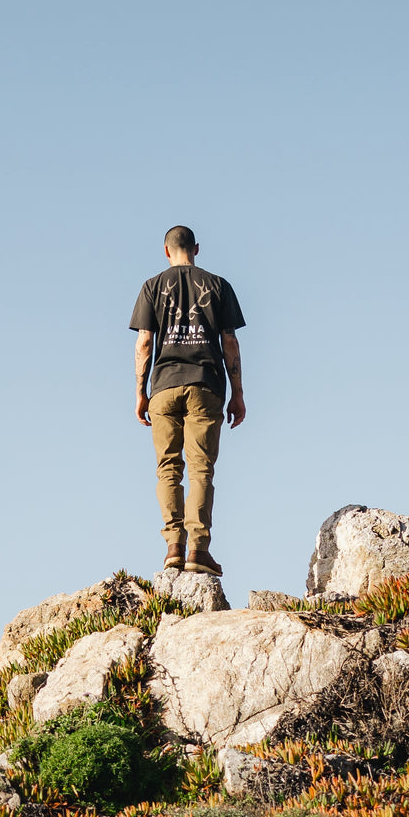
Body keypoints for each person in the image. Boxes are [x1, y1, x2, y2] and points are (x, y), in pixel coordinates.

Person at [129, 225, 246, 576]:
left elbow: (144, 343)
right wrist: (238, 392)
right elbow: (230, 343)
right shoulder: (218, 285)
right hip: (206, 385)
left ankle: (173, 547)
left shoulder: (151, 286)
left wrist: (140, 392)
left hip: (163, 387)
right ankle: (198, 549)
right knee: (201, 470)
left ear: (166, 251)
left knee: (168, 469)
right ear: (196, 248)